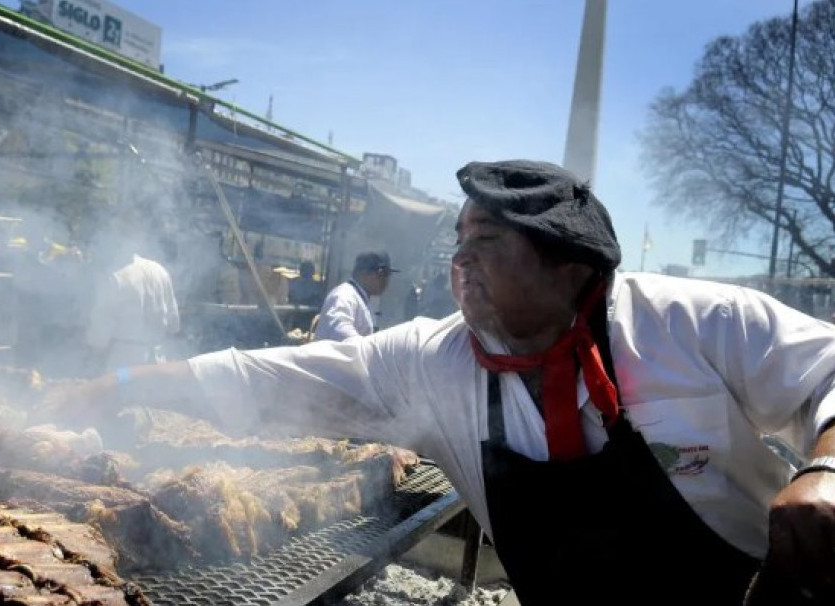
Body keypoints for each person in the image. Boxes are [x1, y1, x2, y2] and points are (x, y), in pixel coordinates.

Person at [41, 159, 835, 605]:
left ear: (568, 265)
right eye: (457, 242)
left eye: (487, 241)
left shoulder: (686, 321)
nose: (459, 262)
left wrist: (825, 471)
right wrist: (122, 383)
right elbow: (266, 378)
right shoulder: (429, 360)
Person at [83, 229, 180, 372]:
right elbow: (174, 324)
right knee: (157, 394)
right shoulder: (159, 270)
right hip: (159, 362)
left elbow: (99, 336)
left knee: (123, 393)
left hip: (125, 366)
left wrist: (88, 354)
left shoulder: (113, 277)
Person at [313, 251, 397, 341]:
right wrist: (368, 349)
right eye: (381, 274)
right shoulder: (344, 296)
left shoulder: (359, 297)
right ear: (363, 273)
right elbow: (339, 332)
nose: (385, 280)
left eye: (388, 274)